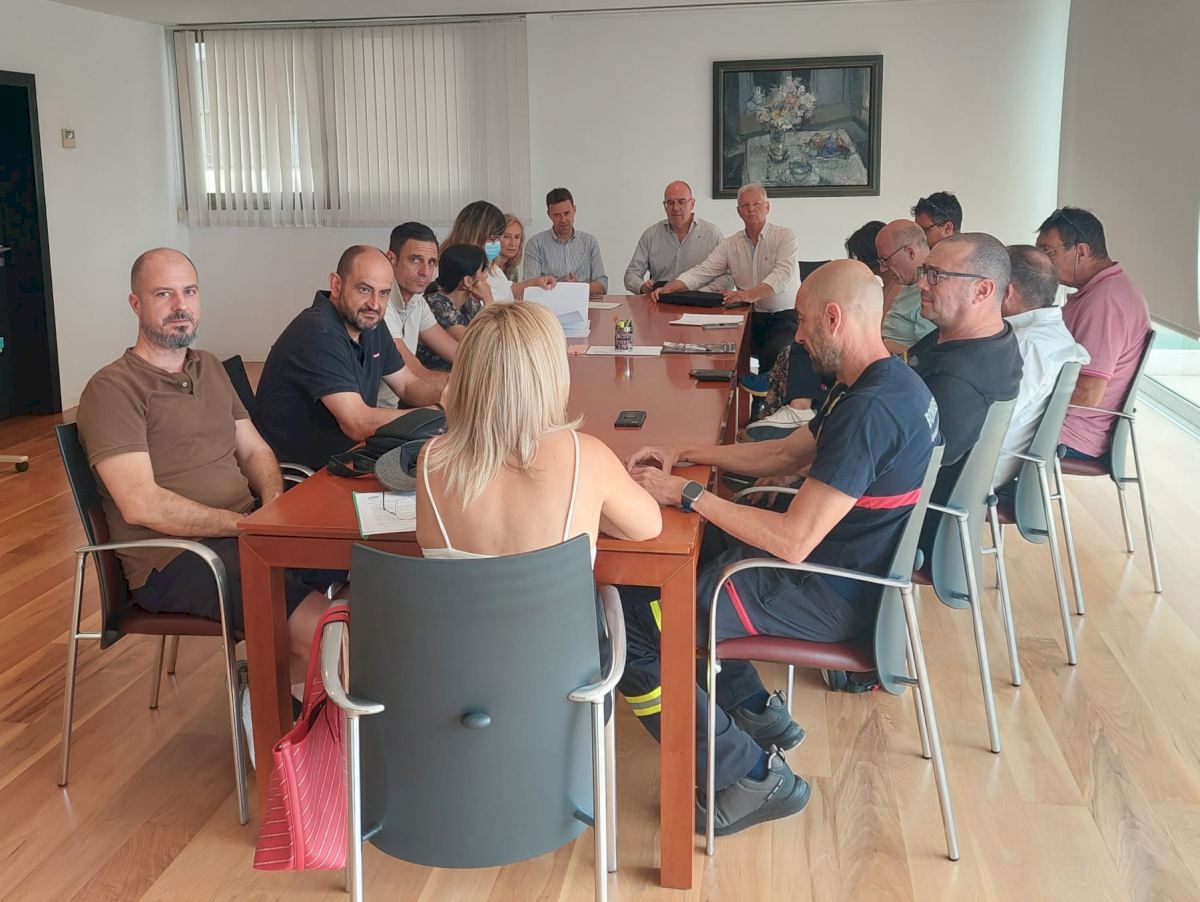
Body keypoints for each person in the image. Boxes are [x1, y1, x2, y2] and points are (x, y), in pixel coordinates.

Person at [624, 261, 940, 837]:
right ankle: (755, 713)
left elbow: (793, 540)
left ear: (833, 318)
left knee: (632, 630)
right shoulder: (881, 383)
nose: (797, 336)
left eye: (803, 321)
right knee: (691, 555)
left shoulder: (870, 411)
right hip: (838, 573)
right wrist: (686, 454)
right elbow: (782, 455)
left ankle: (747, 778)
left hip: (821, 591)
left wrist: (688, 494)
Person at [75, 248, 334, 685]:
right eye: (164, 294)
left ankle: (276, 686)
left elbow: (254, 451)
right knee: (327, 630)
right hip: (176, 557)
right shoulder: (113, 388)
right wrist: (242, 525)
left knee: (359, 569)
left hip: (242, 532)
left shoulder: (209, 366)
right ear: (136, 303)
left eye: (190, 292)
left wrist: (272, 505)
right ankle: (271, 705)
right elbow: (140, 504)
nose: (181, 306)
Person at [416, 300, 661, 561]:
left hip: (454, 591)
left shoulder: (431, 459)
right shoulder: (586, 456)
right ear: (551, 374)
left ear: (466, 373)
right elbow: (648, 527)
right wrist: (593, 501)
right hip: (567, 590)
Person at [253, 245, 440, 471]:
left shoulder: (371, 324)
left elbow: (408, 385)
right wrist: (432, 417)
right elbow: (357, 423)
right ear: (336, 285)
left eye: (383, 293)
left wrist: (452, 397)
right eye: (364, 289)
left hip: (351, 459)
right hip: (308, 474)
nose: (374, 304)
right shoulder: (317, 330)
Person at [905, 233, 1022, 535]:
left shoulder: (960, 379)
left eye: (935, 275)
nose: (921, 284)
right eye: (924, 271)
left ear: (982, 290)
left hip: (905, 523)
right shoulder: (989, 338)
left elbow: (909, 467)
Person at [1035, 207, 1151, 460]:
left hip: (1071, 434)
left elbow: (1088, 394)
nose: (1042, 261)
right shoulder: (1105, 290)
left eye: (1047, 252)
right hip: (1068, 425)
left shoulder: (1104, 303)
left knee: (980, 433)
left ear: (1081, 251)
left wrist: (1028, 392)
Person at [651, 183, 801, 374]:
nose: (751, 209)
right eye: (745, 205)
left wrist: (747, 295)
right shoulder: (731, 244)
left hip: (784, 317)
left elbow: (782, 274)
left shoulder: (785, 236)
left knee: (775, 352)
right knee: (718, 349)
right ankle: (732, 390)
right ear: (739, 211)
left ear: (767, 207)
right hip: (749, 317)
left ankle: (762, 393)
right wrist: (670, 288)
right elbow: (703, 270)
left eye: (756, 204)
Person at [993, 245, 1091, 485]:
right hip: (1005, 464)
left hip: (980, 470)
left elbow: (988, 422)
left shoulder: (1024, 345)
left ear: (1007, 292)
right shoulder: (1053, 334)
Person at [377, 221, 459, 407]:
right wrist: (476, 384)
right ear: (391, 259)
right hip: (377, 412)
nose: (425, 272)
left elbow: (457, 353)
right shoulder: (380, 302)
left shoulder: (417, 301)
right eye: (415, 260)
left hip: (399, 406)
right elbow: (417, 374)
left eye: (431, 263)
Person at [623, 180, 731, 294]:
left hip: (700, 299)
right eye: (670, 203)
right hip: (660, 298)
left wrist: (701, 292)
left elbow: (727, 277)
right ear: (664, 206)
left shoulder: (712, 234)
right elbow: (631, 274)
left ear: (692, 203)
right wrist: (642, 287)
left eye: (681, 201)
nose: (676, 207)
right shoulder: (651, 235)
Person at [443, 200, 555, 302]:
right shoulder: (454, 267)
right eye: (492, 239)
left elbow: (507, 290)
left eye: (497, 239)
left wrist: (535, 283)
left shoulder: (490, 265)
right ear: (475, 236)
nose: (496, 244)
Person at [417, 243, 493, 371]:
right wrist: (488, 299)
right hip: (436, 376)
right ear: (468, 281)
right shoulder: (437, 304)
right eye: (483, 270)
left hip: (460, 373)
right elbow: (480, 343)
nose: (487, 276)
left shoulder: (470, 303)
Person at [524, 187, 608, 296]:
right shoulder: (535, 244)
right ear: (549, 214)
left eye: (567, 213)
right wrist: (562, 288)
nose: (563, 220)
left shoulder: (590, 242)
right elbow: (529, 288)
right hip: (550, 302)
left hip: (585, 302)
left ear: (574, 210)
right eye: (557, 215)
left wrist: (579, 287)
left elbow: (602, 286)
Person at [875, 220, 936, 354]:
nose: (883, 269)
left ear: (910, 252)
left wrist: (885, 346)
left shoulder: (932, 291)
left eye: (886, 260)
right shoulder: (906, 283)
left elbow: (927, 358)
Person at [497, 213, 525, 282]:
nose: (512, 243)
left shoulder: (513, 270)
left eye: (517, 237)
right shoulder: (485, 269)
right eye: (506, 236)